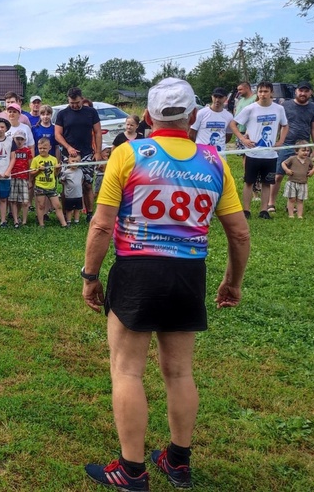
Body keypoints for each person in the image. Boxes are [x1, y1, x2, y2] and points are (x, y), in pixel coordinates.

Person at [81, 77, 250, 491]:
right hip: (188, 271)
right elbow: (240, 233)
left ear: (151, 117)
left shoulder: (129, 154)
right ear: (194, 115)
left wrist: (89, 276)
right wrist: (233, 281)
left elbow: (102, 224)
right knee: (178, 372)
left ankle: (132, 470)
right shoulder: (214, 160)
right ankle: (178, 462)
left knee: (127, 371)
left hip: (139, 270)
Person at [230, 81, 288, 219]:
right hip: (253, 153)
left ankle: (264, 210)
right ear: (257, 93)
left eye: (266, 91)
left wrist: (280, 141)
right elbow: (233, 124)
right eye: (260, 91)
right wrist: (243, 139)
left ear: (271, 93)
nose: (263, 94)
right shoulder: (250, 108)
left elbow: (285, 125)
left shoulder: (279, 109)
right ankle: (246, 210)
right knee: (249, 182)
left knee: (267, 183)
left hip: (270, 155)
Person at [271, 81, 314, 212]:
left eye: (306, 91)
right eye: (300, 90)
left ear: (310, 93)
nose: (303, 93)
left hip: (304, 146)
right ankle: (271, 203)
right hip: (286, 144)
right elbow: (278, 124)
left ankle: (292, 205)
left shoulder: (313, 108)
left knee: (300, 176)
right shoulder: (285, 105)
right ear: (296, 91)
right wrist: (276, 142)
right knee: (278, 175)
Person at [54, 87, 102, 218]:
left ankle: (90, 213)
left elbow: (98, 132)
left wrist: (98, 151)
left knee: (87, 184)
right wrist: (68, 147)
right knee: (67, 184)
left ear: (82, 99)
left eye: (77, 103)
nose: (74, 105)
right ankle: (66, 212)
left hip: (86, 153)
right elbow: (57, 134)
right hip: (67, 155)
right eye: (71, 103)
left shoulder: (91, 112)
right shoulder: (62, 114)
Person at [29, 138, 66, 227]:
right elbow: (32, 173)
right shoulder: (36, 159)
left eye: (44, 148)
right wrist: (38, 170)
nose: (42, 150)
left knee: (58, 206)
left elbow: (55, 175)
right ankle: (41, 223)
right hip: (40, 186)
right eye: (40, 148)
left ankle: (64, 224)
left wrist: (57, 169)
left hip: (51, 186)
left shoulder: (53, 159)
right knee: (41, 205)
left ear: (49, 148)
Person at [281, 142, 314, 219]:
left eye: (307, 151)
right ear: (296, 151)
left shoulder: (308, 160)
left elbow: (313, 167)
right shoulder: (292, 158)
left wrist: (312, 171)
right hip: (292, 182)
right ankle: (291, 215)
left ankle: (299, 215)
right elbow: (283, 163)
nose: (306, 152)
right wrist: (287, 170)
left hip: (303, 183)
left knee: (300, 200)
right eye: (303, 150)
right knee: (291, 199)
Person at [9, 131, 33, 228]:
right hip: (13, 177)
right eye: (17, 139)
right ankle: (15, 220)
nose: (19, 141)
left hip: (24, 178)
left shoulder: (27, 151)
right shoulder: (11, 150)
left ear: (25, 140)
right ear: (13, 139)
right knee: (13, 200)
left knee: (25, 201)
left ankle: (24, 221)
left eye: (21, 139)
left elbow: (31, 166)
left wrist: (30, 180)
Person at [60, 152, 84, 224]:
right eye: (73, 161)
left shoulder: (80, 171)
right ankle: (69, 221)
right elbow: (62, 180)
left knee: (77, 209)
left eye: (77, 161)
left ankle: (76, 221)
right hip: (69, 195)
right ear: (68, 161)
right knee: (69, 209)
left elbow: (82, 180)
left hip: (78, 195)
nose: (75, 163)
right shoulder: (67, 172)